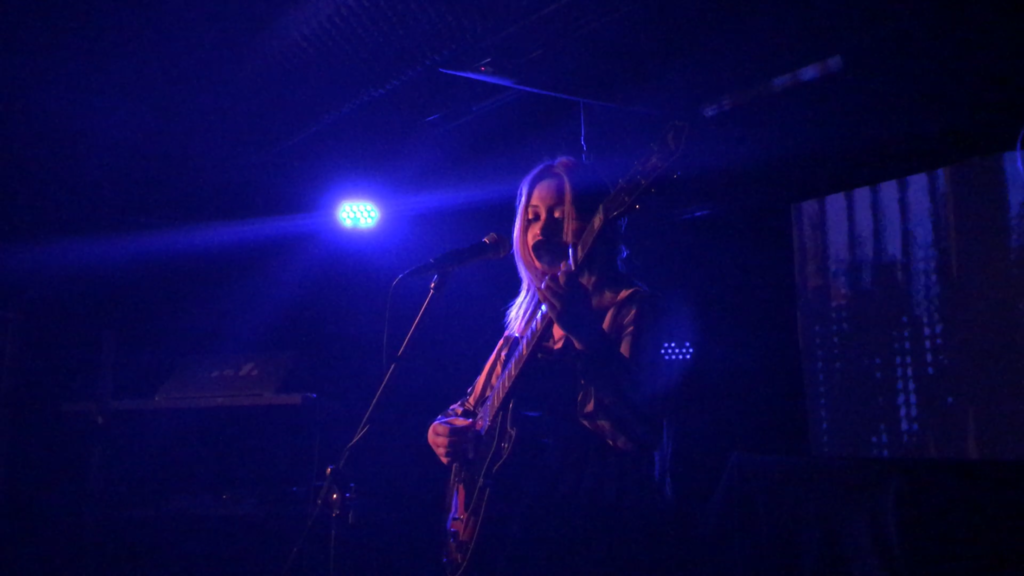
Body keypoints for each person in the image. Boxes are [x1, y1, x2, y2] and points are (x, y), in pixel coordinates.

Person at [427, 157, 679, 575]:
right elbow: (469, 407)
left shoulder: (635, 308)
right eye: (533, 217)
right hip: (523, 534)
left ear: (599, 223)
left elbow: (639, 432)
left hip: (603, 537)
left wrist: (586, 334)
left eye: (561, 216)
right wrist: (442, 429)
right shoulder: (526, 322)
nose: (543, 230)